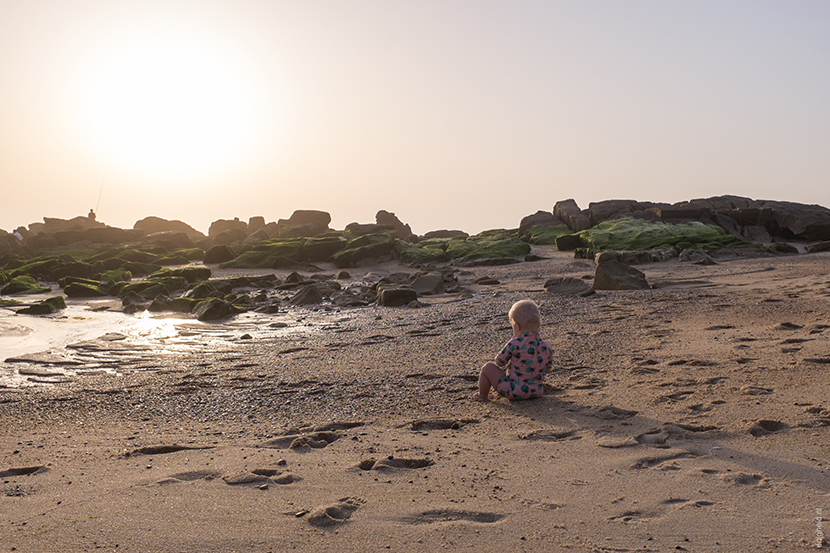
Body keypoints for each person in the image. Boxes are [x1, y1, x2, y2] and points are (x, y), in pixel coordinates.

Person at [473, 299, 553, 401]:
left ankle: (482, 395)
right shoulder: (546, 347)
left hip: (514, 391)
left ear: (517, 326)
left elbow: (499, 362)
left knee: (487, 368)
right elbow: (547, 369)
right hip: (537, 391)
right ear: (538, 326)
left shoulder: (515, 343)